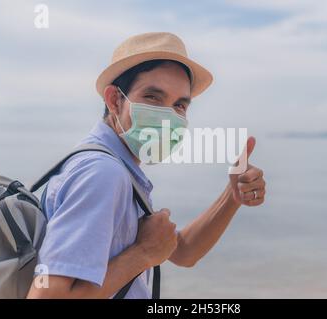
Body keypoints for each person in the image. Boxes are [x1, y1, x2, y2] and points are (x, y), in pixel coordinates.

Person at [27, 32, 266, 298]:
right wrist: (142, 255)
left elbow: (183, 252)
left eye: (179, 105)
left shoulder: (118, 166)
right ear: (115, 100)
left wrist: (231, 198)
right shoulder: (103, 173)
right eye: (153, 97)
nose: (168, 115)